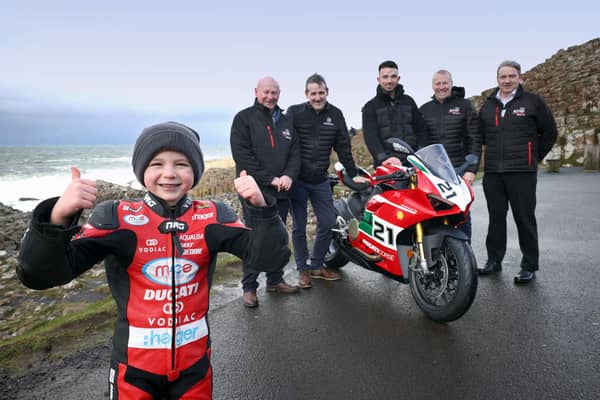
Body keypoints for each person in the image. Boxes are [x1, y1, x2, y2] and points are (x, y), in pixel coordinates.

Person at [16, 121, 290, 398]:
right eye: (156, 164)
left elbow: (271, 260)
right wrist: (58, 216)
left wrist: (261, 207)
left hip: (194, 370)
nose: (169, 174)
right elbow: (39, 275)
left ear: (195, 171)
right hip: (133, 372)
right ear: (141, 171)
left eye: (181, 164)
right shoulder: (116, 217)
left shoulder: (213, 215)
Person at [477, 61, 558, 283]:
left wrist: (534, 158)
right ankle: (494, 261)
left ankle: (529, 265)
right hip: (493, 173)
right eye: (503, 76)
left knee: (524, 218)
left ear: (519, 78)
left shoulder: (533, 102)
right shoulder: (487, 106)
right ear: (497, 79)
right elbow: (478, 138)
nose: (507, 80)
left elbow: (550, 132)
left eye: (512, 76)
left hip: (522, 172)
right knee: (496, 219)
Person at [286, 73, 363, 288]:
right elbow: (282, 141)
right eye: (313, 93)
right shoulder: (295, 113)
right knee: (299, 227)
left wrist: (352, 171)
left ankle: (317, 265)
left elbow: (343, 147)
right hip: (298, 180)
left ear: (327, 92)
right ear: (306, 94)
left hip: (320, 180)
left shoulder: (336, 114)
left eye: (321, 93)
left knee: (328, 222)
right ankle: (303, 270)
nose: (318, 97)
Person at [230, 76, 301, 307]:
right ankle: (249, 287)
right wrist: (270, 179)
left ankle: (275, 280)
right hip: (255, 190)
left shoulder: (287, 120)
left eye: (274, 93)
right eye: (266, 92)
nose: (270, 97)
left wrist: (289, 175)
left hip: (282, 189)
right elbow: (243, 156)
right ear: (256, 92)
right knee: (255, 238)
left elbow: (295, 153)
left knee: (278, 238)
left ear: (279, 93)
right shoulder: (243, 119)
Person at [419, 69, 481, 240]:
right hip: (433, 171)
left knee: (461, 214)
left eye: (445, 83)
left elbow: (475, 138)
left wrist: (472, 169)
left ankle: (464, 255)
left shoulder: (465, 106)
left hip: (459, 169)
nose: (441, 87)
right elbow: (421, 142)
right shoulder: (424, 109)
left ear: (451, 83)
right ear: (432, 86)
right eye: (437, 83)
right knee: (433, 213)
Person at [362, 60, 428, 167]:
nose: (389, 80)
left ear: (398, 79)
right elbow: (371, 137)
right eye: (385, 77)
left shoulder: (409, 101)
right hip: (387, 165)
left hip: (413, 163)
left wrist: (420, 152)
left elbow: (421, 130)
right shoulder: (370, 106)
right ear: (378, 79)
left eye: (393, 76)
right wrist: (383, 158)